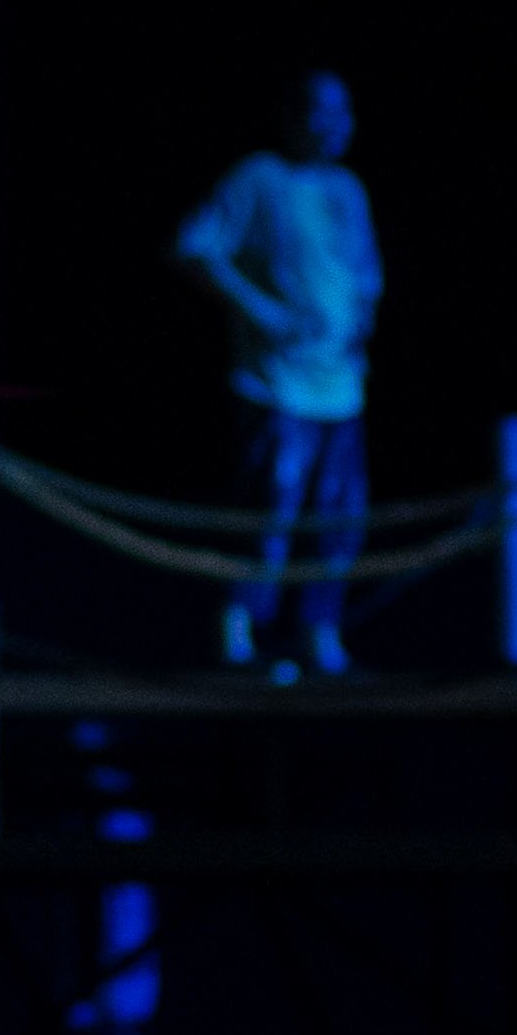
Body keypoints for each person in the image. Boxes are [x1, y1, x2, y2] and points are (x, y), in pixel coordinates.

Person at [172, 71, 381, 677]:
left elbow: (364, 278)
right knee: (272, 505)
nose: (336, 124)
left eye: (343, 111)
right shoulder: (260, 177)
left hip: (339, 385)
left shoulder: (348, 188)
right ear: (293, 115)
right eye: (322, 110)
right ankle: (240, 631)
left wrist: (357, 331)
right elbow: (193, 246)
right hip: (277, 383)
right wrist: (261, 310)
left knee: (340, 511)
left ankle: (319, 631)